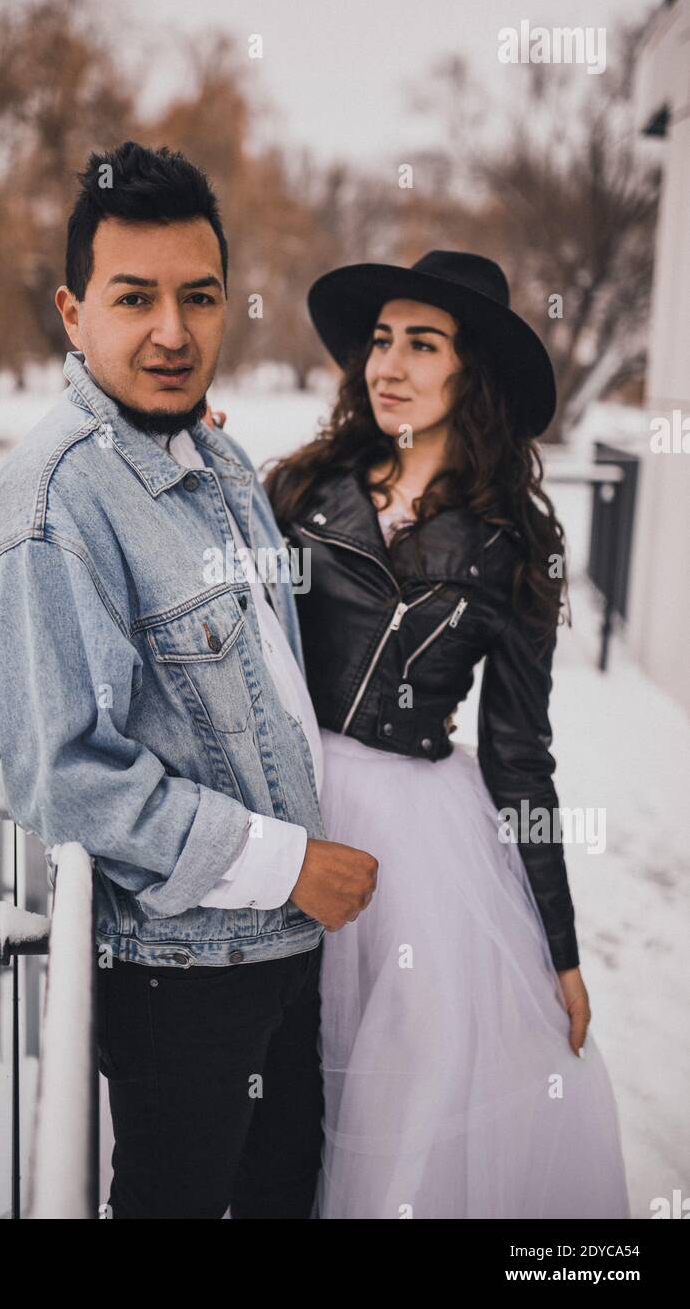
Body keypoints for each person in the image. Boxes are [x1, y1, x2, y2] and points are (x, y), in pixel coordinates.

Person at [0, 141, 376, 1219]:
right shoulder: (44, 510)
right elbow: (68, 779)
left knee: (286, 1195)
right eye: (133, 298)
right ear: (71, 310)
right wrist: (288, 864)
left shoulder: (215, 458)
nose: (173, 333)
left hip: (282, 948)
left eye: (200, 297)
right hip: (182, 974)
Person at [261, 252, 631, 1218]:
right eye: (380, 341)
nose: (388, 363)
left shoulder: (513, 542)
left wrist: (558, 948)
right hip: (288, 808)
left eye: (421, 344)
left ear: (472, 376)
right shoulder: (298, 494)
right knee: (274, 1076)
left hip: (418, 851)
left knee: (396, 1094)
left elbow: (519, 756)